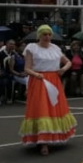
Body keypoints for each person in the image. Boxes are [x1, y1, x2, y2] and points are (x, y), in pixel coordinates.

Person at [20, 25, 76, 155]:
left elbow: (68, 62)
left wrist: (63, 69)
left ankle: (54, 137)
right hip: (39, 81)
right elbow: (27, 68)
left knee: (54, 109)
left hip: (54, 80)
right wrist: (36, 74)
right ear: (39, 35)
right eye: (44, 34)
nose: (47, 37)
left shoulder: (55, 48)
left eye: (49, 34)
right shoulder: (32, 48)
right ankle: (42, 142)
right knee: (41, 110)